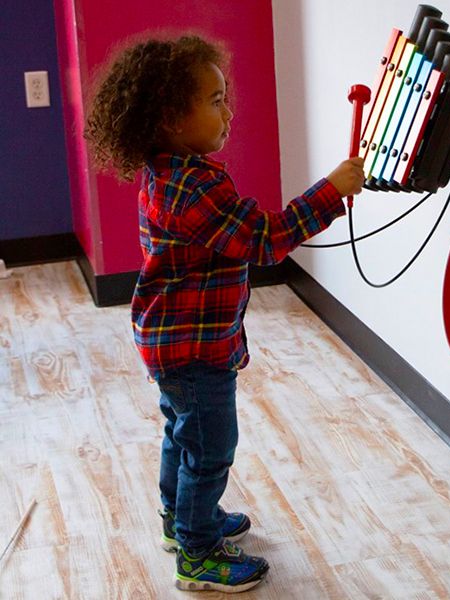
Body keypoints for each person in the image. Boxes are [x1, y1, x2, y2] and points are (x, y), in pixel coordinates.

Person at [85, 33, 364, 593]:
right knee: (210, 449)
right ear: (169, 117)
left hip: (175, 341)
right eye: (214, 101)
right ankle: (198, 553)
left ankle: (182, 519)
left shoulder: (173, 172)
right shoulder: (192, 187)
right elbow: (264, 239)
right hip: (191, 348)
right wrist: (330, 193)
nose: (228, 112)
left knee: (182, 434)